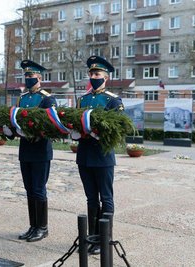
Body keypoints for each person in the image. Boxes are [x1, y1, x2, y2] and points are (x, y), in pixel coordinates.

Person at [75, 56, 124, 255]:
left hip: (103, 157)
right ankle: (91, 237)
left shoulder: (113, 100)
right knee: (90, 199)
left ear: (106, 77)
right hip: (85, 156)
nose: (93, 77)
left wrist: (96, 133)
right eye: (91, 74)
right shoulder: (83, 100)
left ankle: (104, 239)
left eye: (97, 74)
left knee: (106, 197)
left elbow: (118, 128)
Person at [16, 59, 57, 242]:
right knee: (29, 189)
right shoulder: (23, 98)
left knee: (39, 189)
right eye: (26, 75)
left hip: (40, 150)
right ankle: (33, 226)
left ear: (39, 77)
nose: (28, 78)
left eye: (31, 75)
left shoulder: (47, 98)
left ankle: (42, 227)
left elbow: (51, 125)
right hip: (25, 149)